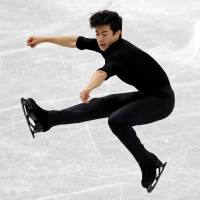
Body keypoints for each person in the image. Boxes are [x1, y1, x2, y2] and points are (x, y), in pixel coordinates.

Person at [22, 10, 175, 192]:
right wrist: (43, 39)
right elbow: (75, 41)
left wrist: (88, 88)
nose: (100, 39)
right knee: (100, 105)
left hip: (161, 101)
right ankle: (47, 119)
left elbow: (102, 73)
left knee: (117, 121)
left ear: (118, 34)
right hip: (148, 95)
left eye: (104, 34)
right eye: (97, 34)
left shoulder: (122, 54)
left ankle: (149, 163)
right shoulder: (108, 44)